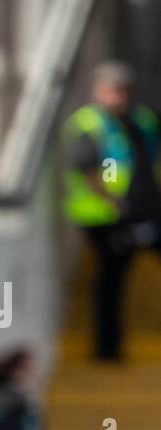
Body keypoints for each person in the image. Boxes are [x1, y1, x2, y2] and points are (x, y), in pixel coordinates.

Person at [62, 60, 161, 361]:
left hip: (145, 210)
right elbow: (88, 169)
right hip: (106, 217)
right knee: (111, 281)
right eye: (112, 90)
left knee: (116, 280)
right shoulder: (88, 123)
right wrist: (114, 203)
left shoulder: (141, 120)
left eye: (123, 90)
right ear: (98, 90)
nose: (118, 97)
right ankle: (107, 349)